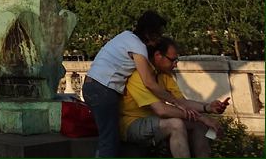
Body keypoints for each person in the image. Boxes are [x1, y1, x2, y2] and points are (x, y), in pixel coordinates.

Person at [82, 11, 199, 157]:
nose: (158, 40)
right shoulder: (138, 47)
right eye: (158, 34)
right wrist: (176, 102)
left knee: (107, 136)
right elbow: (149, 82)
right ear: (149, 33)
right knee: (109, 141)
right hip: (103, 89)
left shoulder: (124, 36)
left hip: (90, 86)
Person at [121, 37, 228, 157]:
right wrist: (202, 117)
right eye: (172, 60)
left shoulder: (164, 75)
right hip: (133, 123)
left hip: (154, 120)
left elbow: (181, 102)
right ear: (158, 55)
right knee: (176, 125)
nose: (176, 64)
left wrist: (208, 107)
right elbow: (162, 110)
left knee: (199, 125)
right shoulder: (139, 76)